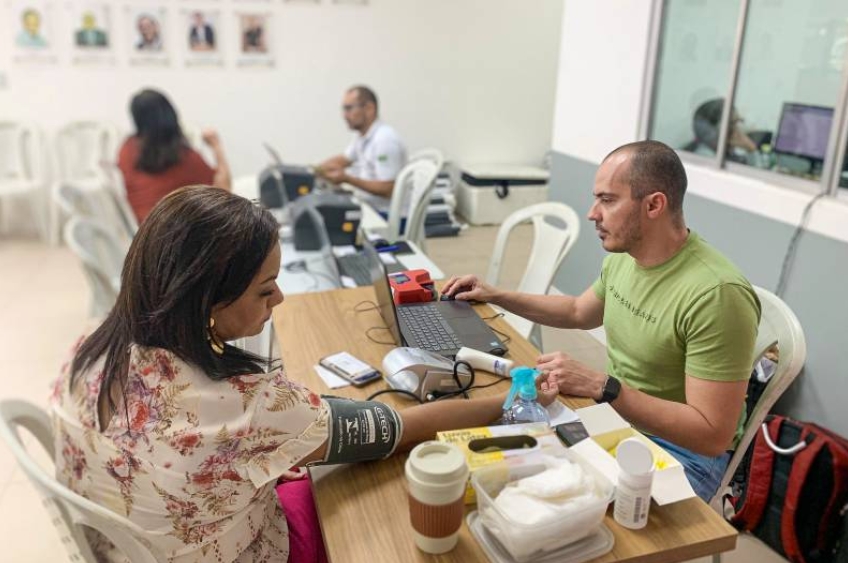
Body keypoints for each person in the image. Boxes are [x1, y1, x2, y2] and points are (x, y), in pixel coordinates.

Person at [49, 187, 559, 563]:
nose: (281, 299)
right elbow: (396, 428)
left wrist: (248, 465)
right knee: (376, 524)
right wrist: (511, 394)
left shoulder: (86, 350)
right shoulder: (245, 406)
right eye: (266, 289)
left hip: (128, 545)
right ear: (207, 303)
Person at [442, 140, 761, 501]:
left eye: (608, 200)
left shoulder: (718, 294)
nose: (593, 213)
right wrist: (496, 294)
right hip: (617, 420)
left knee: (556, 512)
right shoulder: (626, 257)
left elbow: (711, 434)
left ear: (654, 204)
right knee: (500, 472)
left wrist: (603, 386)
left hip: (685, 453)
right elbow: (579, 311)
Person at [117, 89, 231, 223]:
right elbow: (224, 193)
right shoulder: (185, 158)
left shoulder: (127, 150)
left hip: (144, 233)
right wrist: (216, 146)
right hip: (184, 234)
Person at [316, 86, 408, 211]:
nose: (344, 115)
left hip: (385, 216)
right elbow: (343, 160)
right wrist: (313, 171)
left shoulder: (384, 140)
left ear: (369, 108)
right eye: (344, 109)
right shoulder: (363, 137)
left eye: (349, 109)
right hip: (370, 208)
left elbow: (388, 189)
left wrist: (347, 179)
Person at [685, 98, 758, 162]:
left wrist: (750, 148)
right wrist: (751, 148)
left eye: (738, 121)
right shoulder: (706, 156)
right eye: (732, 123)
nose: (737, 128)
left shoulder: (730, 148)